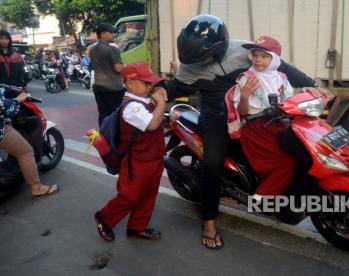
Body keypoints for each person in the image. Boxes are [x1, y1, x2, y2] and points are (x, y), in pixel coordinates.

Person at [155, 14, 323, 250]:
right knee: (212, 165)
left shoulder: (245, 51)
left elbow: (281, 65)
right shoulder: (190, 65)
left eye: (202, 57)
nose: (198, 63)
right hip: (216, 118)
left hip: (256, 115)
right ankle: (209, 222)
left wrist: (312, 85)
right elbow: (176, 86)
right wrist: (161, 91)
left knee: (292, 145)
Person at [232, 35, 332, 199]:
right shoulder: (247, 78)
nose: (258, 60)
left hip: (277, 124)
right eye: (255, 55)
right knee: (285, 163)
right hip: (256, 128)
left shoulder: (282, 78)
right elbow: (242, 110)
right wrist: (244, 96)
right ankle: (262, 197)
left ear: (274, 60)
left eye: (264, 56)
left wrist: (305, 91)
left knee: (304, 154)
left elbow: (288, 101)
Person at [94, 62, 166, 242]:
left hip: (154, 159)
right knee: (129, 196)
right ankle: (105, 218)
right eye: (146, 83)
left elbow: (155, 117)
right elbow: (152, 124)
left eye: (151, 83)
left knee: (148, 196)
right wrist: (162, 103)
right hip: (137, 162)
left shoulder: (145, 103)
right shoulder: (131, 107)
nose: (151, 86)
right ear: (131, 84)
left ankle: (136, 227)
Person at [0, 62, 59, 197]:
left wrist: (4, 88)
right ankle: (37, 187)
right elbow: (3, 109)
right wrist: (18, 99)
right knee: (25, 151)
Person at [90, 23, 125, 126]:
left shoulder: (92, 50)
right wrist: (125, 66)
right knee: (115, 115)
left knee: (103, 113)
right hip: (113, 88)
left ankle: (104, 137)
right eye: (111, 32)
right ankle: (114, 139)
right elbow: (118, 68)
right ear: (103, 34)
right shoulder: (112, 49)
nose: (114, 34)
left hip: (98, 86)